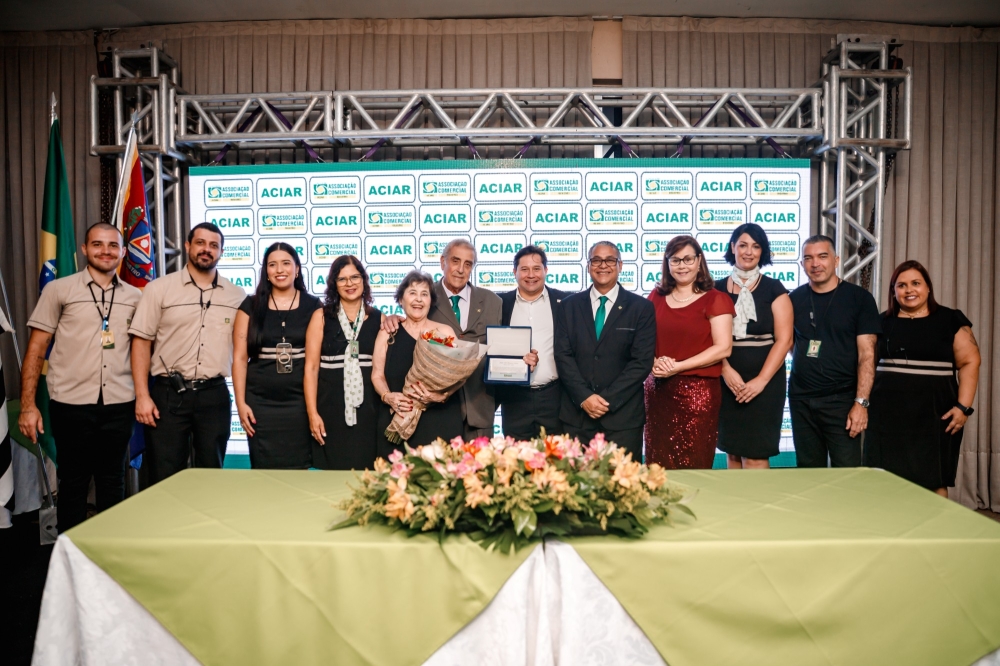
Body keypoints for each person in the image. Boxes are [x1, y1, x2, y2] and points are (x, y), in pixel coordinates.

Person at [19, 223, 141, 531]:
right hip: (71, 404)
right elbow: (36, 348)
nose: (105, 251)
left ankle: (109, 551)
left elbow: (144, 349)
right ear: (85, 249)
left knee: (113, 480)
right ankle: (70, 553)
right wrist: (28, 406)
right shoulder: (59, 290)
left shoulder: (136, 297)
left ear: (123, 252)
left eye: (113, 245)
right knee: (73, 481)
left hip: (120, 403)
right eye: (97, 244)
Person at [129, 222, 246, 483]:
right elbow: (141, 342)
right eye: (200, 243)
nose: (207, 249)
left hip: (214, 395)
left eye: (214, 245)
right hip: (168, 395)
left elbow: (244, 350)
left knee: (211, 474)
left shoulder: (236, 295)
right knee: (165, 475)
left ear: (221, 251)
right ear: (187, 246)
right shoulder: (159, 289)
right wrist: (142, 396)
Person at [864, 261, 981, 496]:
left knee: (934, 480)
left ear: (928, 287)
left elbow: (971, 361)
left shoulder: (950, 320)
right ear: (893, 291)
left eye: (916, 283)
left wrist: (963, 407)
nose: (909, 290)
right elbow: (867, 364)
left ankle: (937, 522)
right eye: (901, 285)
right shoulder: (881, 322)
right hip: (887, 418)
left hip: (936, 416)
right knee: (884, 479)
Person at [382, 239, 501, 440]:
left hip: (479, 409)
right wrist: (391, 318)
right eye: (455, 261)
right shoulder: (425, 296)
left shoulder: (493, 301)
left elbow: (502, 348)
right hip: (434, 412)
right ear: (442, 262)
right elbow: (409, 321)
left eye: (468, 264)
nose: (460, 269)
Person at [554, 241, 656, 459]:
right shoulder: (568, 306)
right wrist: (585, 397)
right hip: (577, 417)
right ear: (588, 266)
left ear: (620, 265)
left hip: (623, 419)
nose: (603, 265)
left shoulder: (641, 308)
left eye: (610, 260)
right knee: (575, 479)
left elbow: (641, 362)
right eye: (596, 260)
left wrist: (605, 401)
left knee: (624, 479)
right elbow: (562, 356)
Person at [788, 235, 881, 468]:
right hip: (801, 399)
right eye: (808, 258)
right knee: (808, 472)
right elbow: (789, 344)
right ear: (802, 264)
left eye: (822, 256)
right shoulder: (793, 299)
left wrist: (861, 403)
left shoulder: (859, 299)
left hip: (842, 401)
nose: (815, 264)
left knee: (847, 473)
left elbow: (867, 355)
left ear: (836, 260)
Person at [644, 235, 735, 469]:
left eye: (688, 259)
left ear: (699, 260)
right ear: (667, 263)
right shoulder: (656, 297)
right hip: (658, 392)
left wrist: (678, 367)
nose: (682, 266)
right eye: (675, 260)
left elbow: (723, 348)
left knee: (694, 462)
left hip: (698, 394)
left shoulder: (717, 299)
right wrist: (653, 362)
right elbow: (643, 338)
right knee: (657, 463)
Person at [232, 242, 320, 469]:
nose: (279, 270)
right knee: (263, 471)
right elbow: (240, 359)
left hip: (299, 404)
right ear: (266, 271)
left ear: (297, 269)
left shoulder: (313, 306)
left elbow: (312, 365)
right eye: (272, 265)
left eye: (286, 263)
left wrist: (312, 410)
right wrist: (240, 403)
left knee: (298, 470)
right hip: (259, 404)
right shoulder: (250, 305)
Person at [715, 224, 793, 469]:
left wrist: (761, 380)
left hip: (766, 384)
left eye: (756, 246)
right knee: (733, 453)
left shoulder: (774, 289)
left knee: (755, 456)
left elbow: (785, 340)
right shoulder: (715, 289)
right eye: (743, 245)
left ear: (763, 251)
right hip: (726, 380)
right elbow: (708, 339)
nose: (749, 252)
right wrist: (725, 370)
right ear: (733, 247)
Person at [372, 271, 462, 458]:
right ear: (401, 299)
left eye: (424, 294)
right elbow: (377, 375)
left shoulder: (444, 332)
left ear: (431, 301)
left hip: (439, 420)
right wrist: (388, 397)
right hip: (397, 419)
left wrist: (440, 396)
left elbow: (459, 375)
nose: (418, 299)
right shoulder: (388, 332)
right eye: (412, 293)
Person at [304, 255, 383, 470]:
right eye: (342, 279)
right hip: (330, 411)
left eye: (355, 277)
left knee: (367, 474)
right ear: (334, 284)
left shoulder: (380, 319)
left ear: (363, 280)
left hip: (369, 413)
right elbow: (311, 369)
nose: (350, 284)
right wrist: (312, 413)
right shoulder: (321, 317)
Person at [497, 245, 572, 441]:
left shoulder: (566, 302)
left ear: (546, 270)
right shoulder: (500, 303)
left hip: (555, 397)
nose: (531, 275)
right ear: (514, 272)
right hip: (514, 400)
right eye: (524, 269)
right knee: (515, 457)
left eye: (536, 268)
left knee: (558, 457)